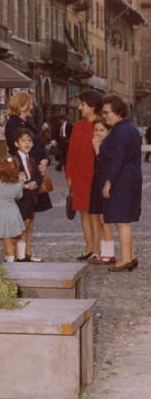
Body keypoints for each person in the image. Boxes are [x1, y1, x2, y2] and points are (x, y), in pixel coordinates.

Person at [100, 95, 142, 272]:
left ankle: (125, 259)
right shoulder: (130, 129)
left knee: (122, 221)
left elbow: (117, 160)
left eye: (107, 112)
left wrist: (109, 182)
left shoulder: (119, 131)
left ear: (118, 112)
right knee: (125, 221)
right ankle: (130, 256)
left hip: (122, 180)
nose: (104, 116)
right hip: (131, 178)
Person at [65, 90, 104, 261]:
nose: (79, 107)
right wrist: (69, 175)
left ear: (92, 106)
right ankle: (88, 247)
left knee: (95, 213)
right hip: (79, 175)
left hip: (94, 175)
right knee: (83, 212)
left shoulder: (101, 126)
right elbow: (71, 152)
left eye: (83, 104)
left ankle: (97, 248)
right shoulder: (78, 126)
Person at [5, 92, 51, 213]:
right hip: (25, 168)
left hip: (35, 167)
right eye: (29, 103)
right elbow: (17, 148)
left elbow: (39, 143)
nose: (31, 106)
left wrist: (45, 159)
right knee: (24, 209)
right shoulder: (13, 123)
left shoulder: (28, 121)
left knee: (32, 211)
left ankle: (28, 232)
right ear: (21, 104)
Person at [87, 119, 116, 265]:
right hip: (96, 182)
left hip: (105, 183)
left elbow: (105, 165)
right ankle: (104, 252)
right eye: (96, 130)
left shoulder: (108, 146)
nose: (97, 133)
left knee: (105, 220)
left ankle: (109, 253)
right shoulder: (100, 145)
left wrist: (97, 149)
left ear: (109, 132)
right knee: (99, 218)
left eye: (101, 130)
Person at [12, 128, 43, 262]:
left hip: (31, 197)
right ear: (16, 143)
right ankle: (19, 255)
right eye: (23, 140)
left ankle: (26, 252)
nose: (27, 143)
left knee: (29, 225)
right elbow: (9, 179)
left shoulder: (32, 159)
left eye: (29, 140)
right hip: (20, 198)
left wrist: (35, 182)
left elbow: (38, 176)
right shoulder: (13, 160)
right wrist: (24, 185)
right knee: (20, 227)